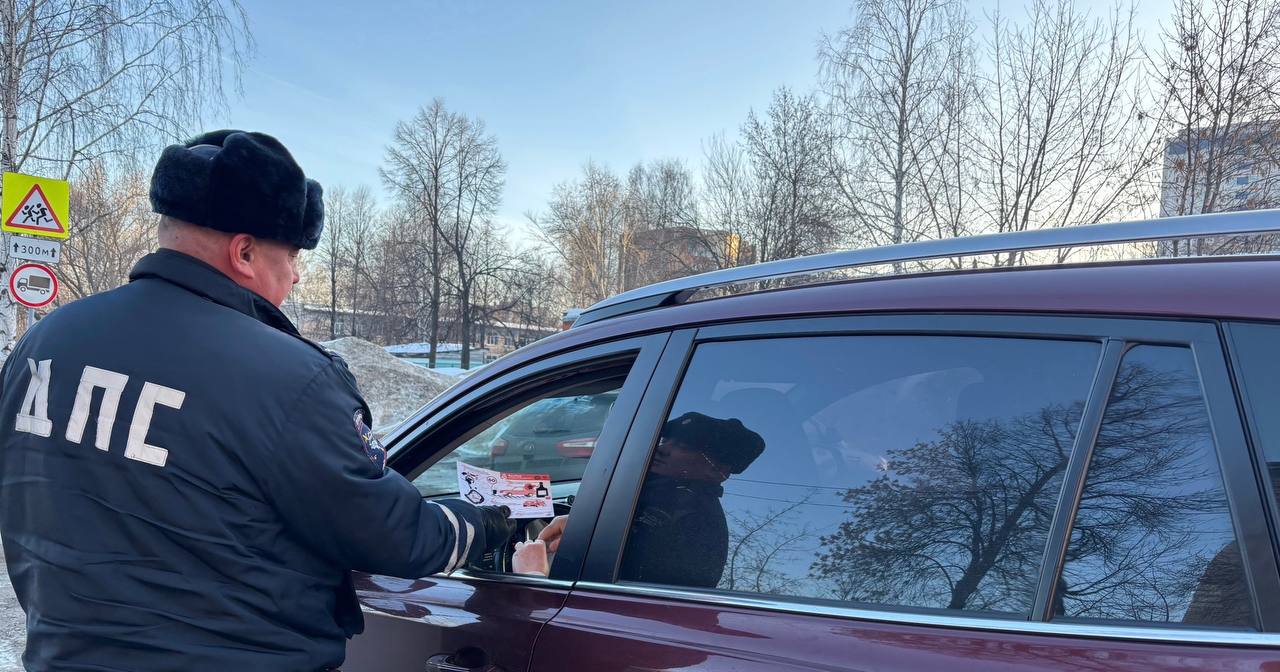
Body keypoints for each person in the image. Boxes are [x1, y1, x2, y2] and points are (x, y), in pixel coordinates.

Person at [0, 130, 515, 671]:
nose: (295, 274)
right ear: (244, 252)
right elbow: (392, 536)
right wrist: (483, 525)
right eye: (291, 255)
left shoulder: (46, 341)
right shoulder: (290, 379)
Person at [528, 411, 765, 586]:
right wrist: (586, 527)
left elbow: (634, 582)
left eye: (682, 446)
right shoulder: (661, 494)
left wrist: (534, 575)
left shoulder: (695, 521)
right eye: (665, 439)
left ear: (716, 470)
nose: (661, 447)